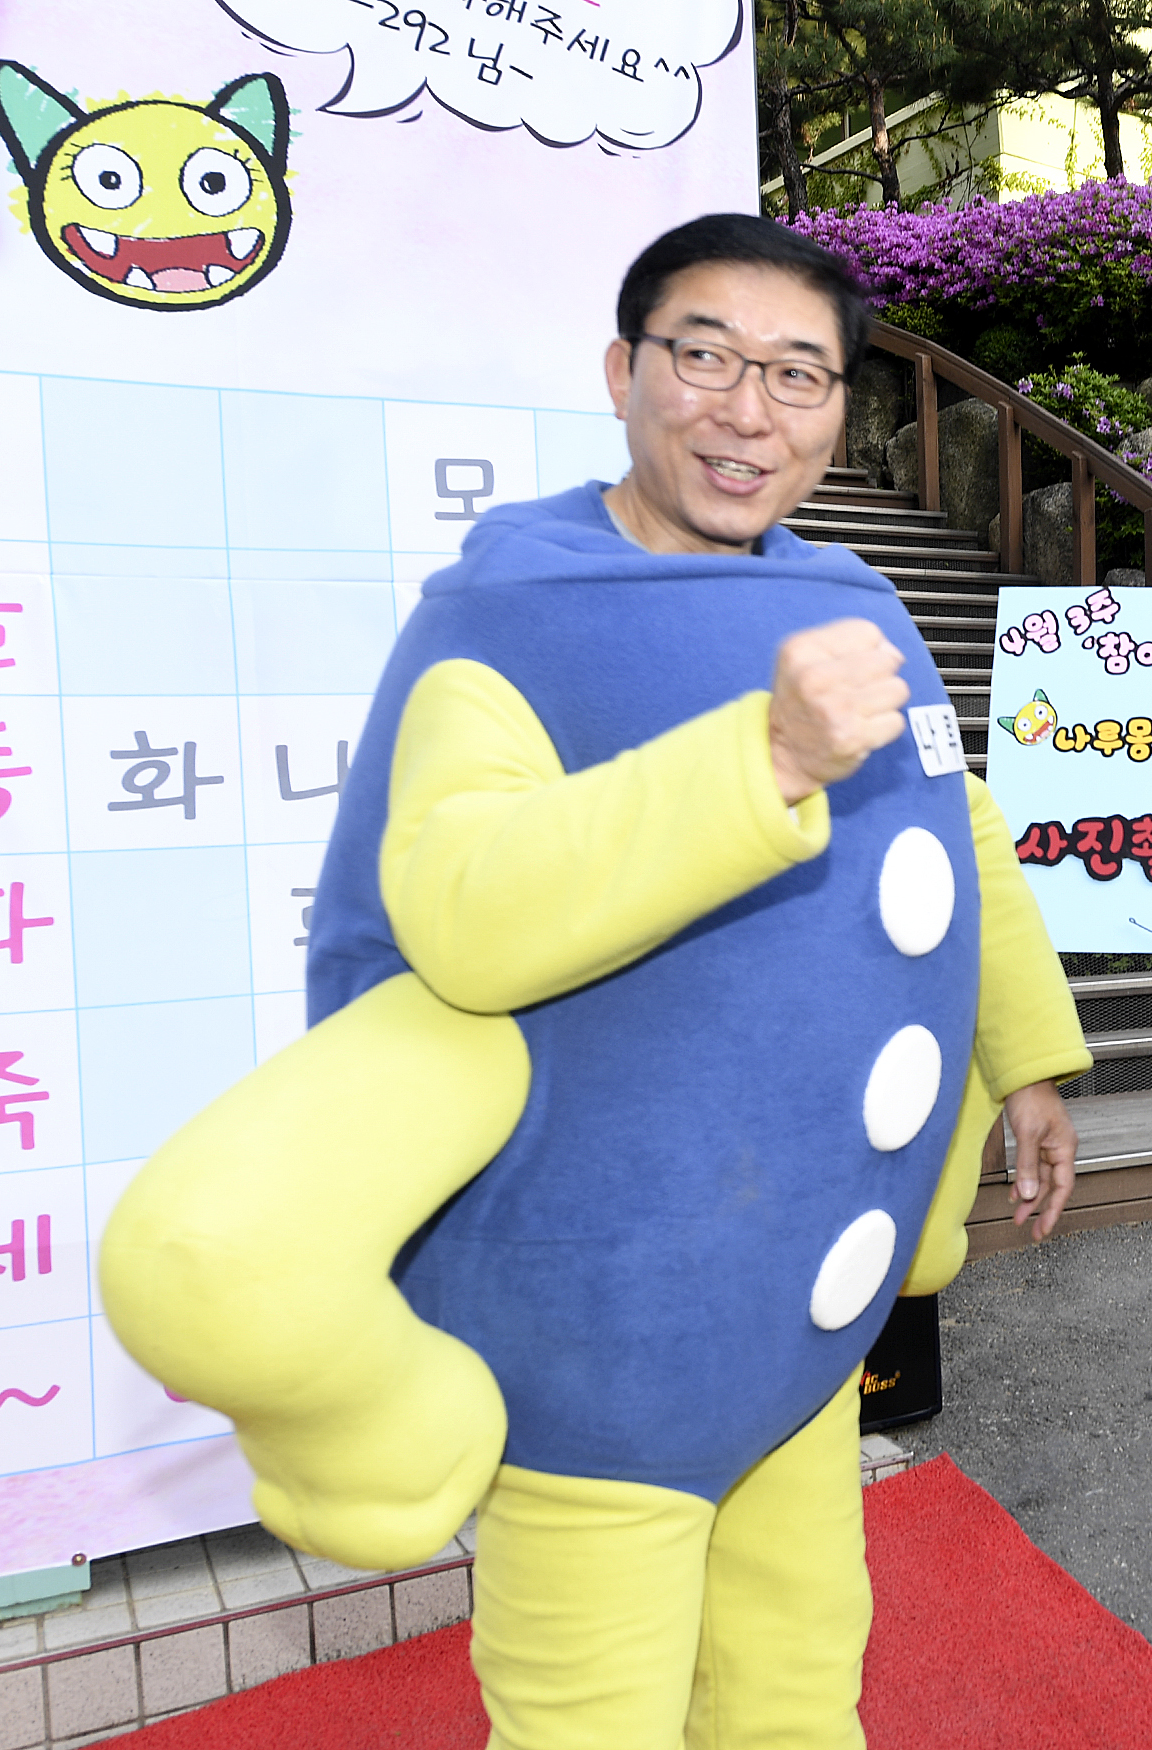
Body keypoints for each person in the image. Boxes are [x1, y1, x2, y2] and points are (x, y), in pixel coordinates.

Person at [101, 214, 1091, 1750]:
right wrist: (761, 757)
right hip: (604, 1316)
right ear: (625, 371)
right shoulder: (512, 616)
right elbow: (463, 912)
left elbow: (955, 826)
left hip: (798, 1294)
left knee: (795, 1671)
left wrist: (1027, 1057)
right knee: (590, 1717)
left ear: (842, 410)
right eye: (704, 357)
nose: (745, 410)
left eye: (796, 374)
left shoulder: (852, 599)